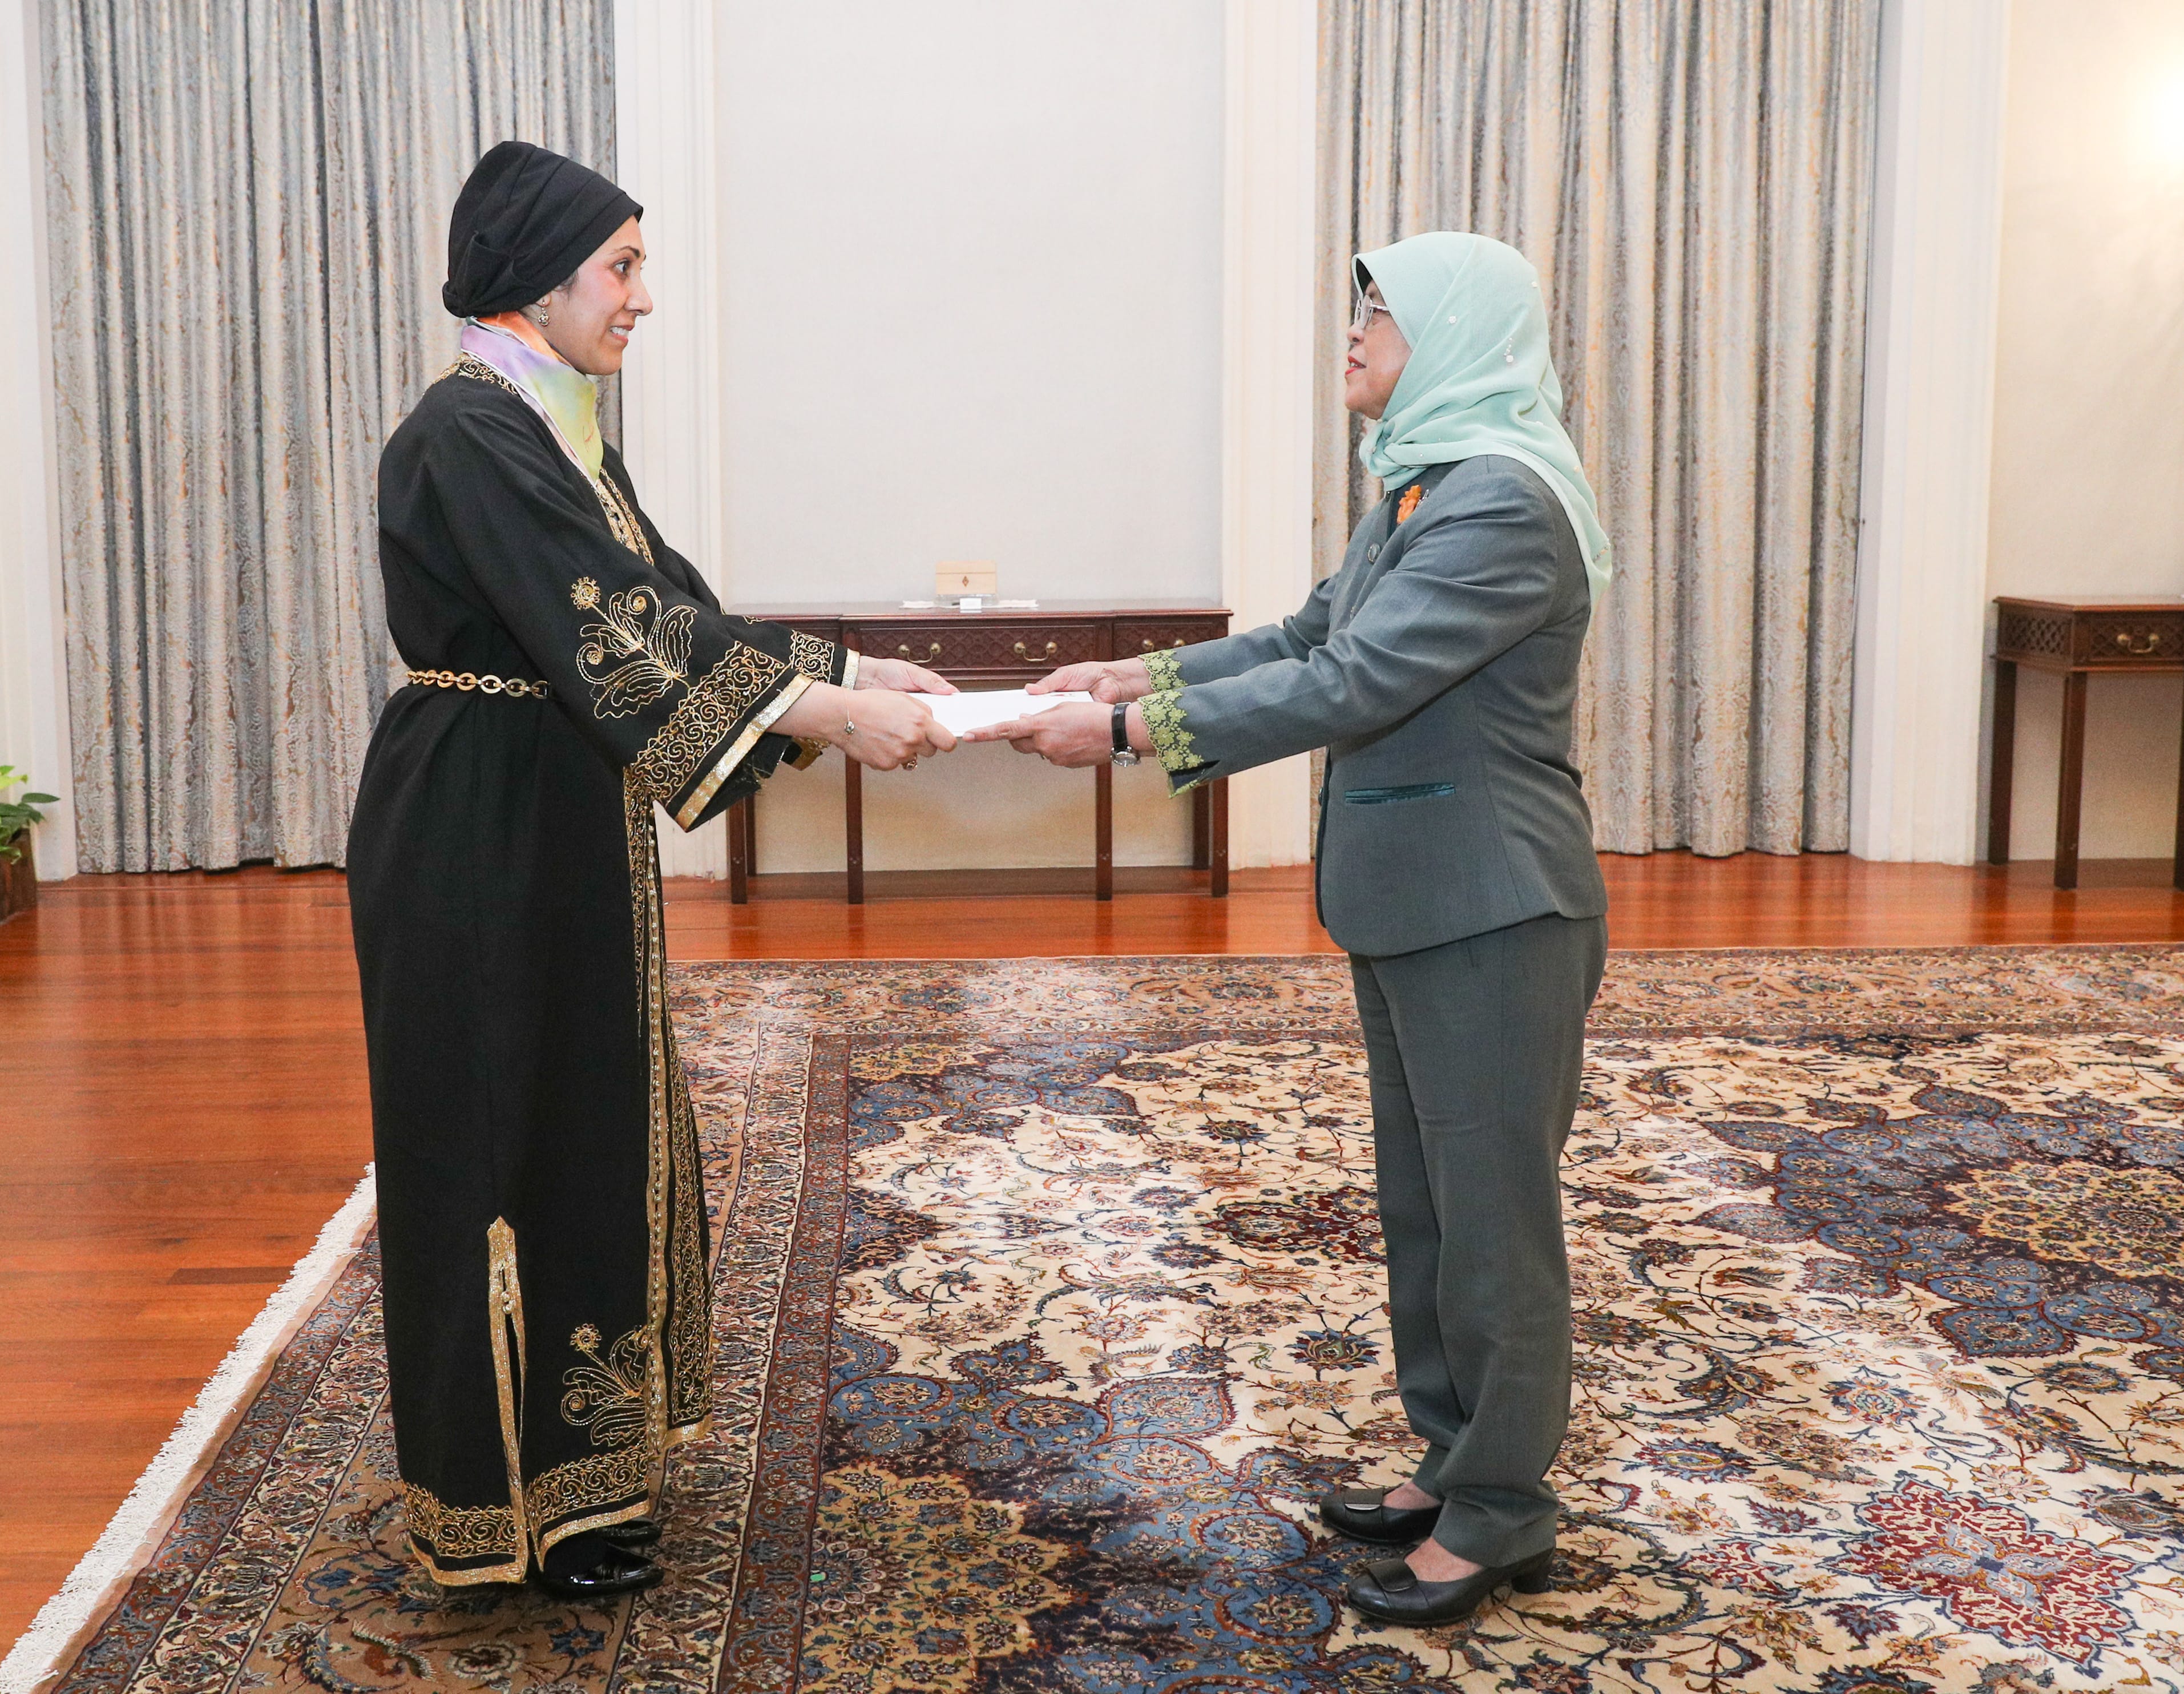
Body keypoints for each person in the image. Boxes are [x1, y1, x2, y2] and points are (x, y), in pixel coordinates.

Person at [348, 141, 958, 1601]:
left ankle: (588, 1483)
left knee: (586, 1116)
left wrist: (858, 669)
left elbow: (674, 603)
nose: (640, 299)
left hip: (552, 813)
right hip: (478, 834)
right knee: (502, 1128)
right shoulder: (468, 432)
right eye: (620, 269)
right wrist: (831, 712)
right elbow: (616, 629)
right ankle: (504, 1508)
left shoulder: (547, 425)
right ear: (535, 281)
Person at [979, 232, 1609, 1627]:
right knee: (1424, 1204)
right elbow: (1305, 632)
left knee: (1493, 1220)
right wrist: (1134, 670)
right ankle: (1457, 1462)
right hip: (1419, 899)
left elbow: (1358, 677)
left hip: (1496, 905)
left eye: (1379, 313)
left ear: (1453, 334)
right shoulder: (1425, 485)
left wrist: (1134, 731)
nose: (1355, 334)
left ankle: (1505, 1511)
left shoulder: (1504, 503)